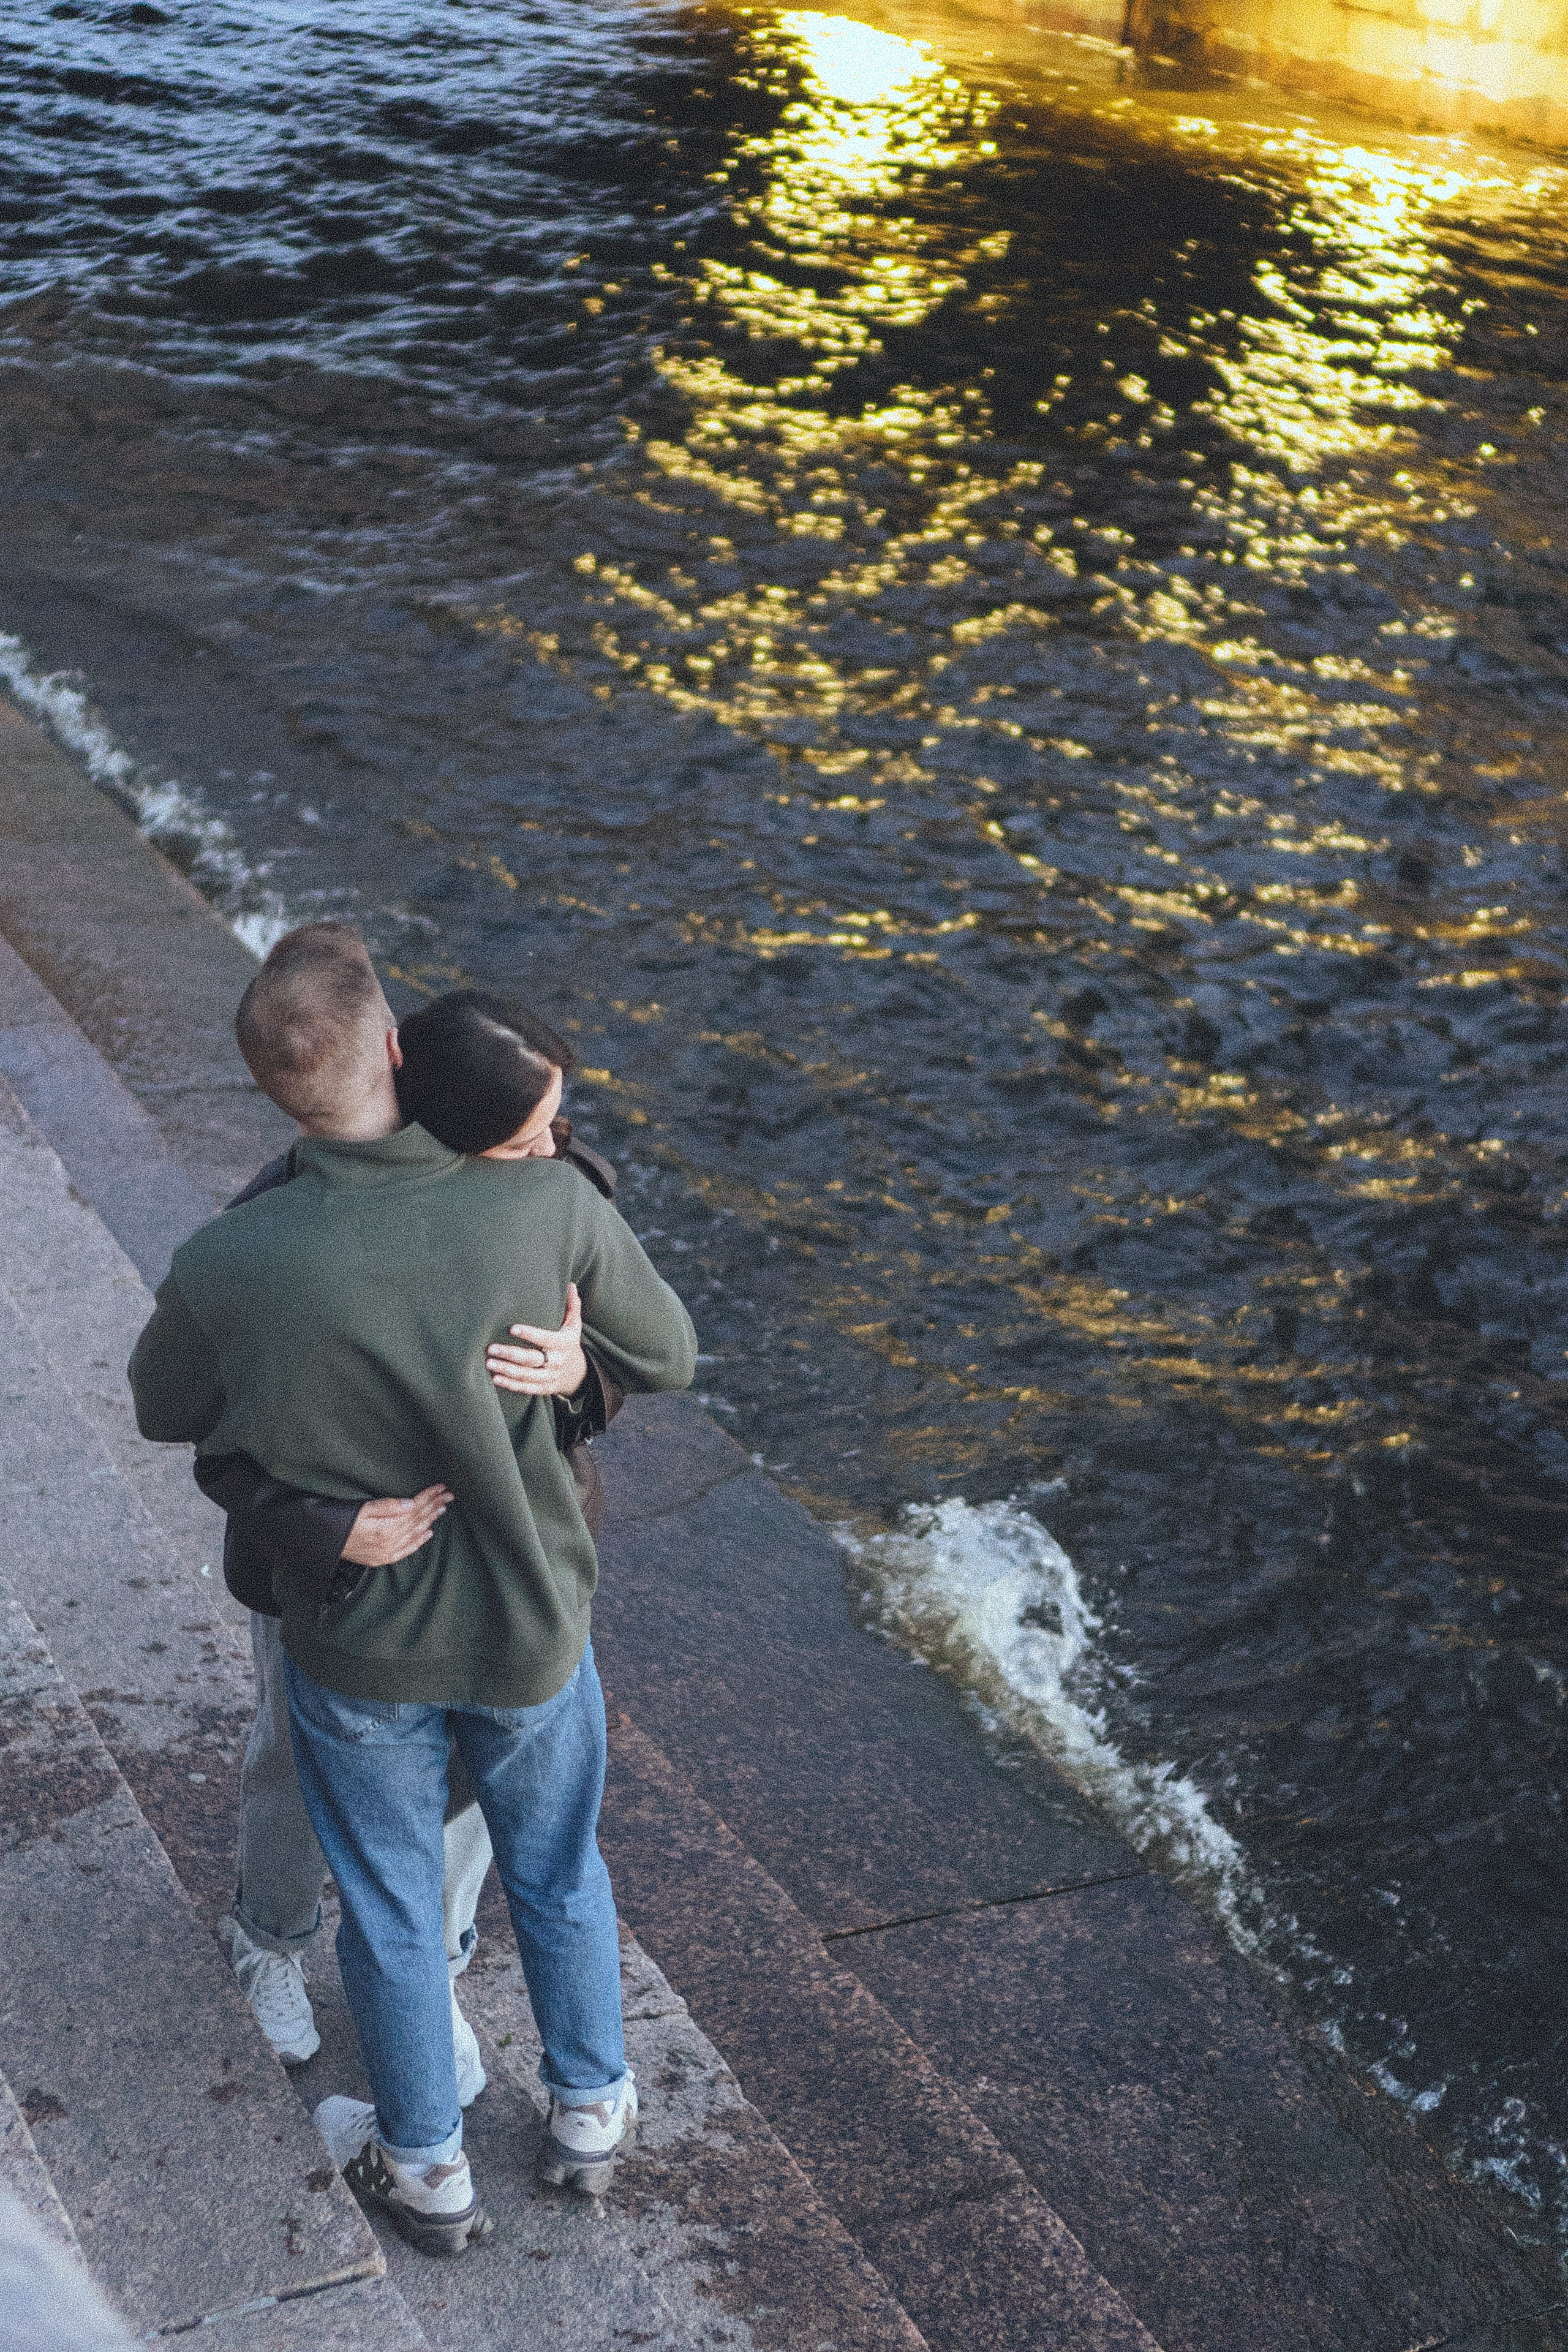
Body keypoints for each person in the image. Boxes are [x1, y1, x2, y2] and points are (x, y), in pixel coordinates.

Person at [129, 929, 696, 2253]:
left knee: (385, 1908)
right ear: (397, 1048)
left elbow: (165, 1408)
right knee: (556, 1870)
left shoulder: (230, 1261)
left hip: (361, 1643)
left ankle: (426, 2167)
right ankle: (590, 2108)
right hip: (528, 1623)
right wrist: (575, 1368)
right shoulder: (545, 1205)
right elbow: (667, 1349)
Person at [200, 948, 625, 2089]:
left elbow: (627, 1332)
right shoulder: (286, 1211)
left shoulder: (542, 1158)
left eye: (551, 1134)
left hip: (506, 1546)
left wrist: (581, 1372)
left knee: (480, 1786)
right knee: (295, 1756)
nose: (548, 1152)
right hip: (335, 1567)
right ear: (393, 1061)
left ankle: (428, 1973)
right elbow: (216, 1427)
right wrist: (323, 1527)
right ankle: (271, 1938)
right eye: (530, 1140)